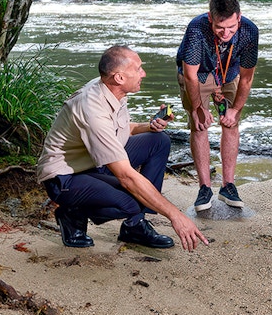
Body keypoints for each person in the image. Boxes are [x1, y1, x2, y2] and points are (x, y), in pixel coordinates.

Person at [37, 46, 208, 252]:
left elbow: (122, 129)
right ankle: (72, 213)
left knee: (158, 141)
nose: (143, 73)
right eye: (138, 69)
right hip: (65, 178)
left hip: (93, 163)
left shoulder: (112, 90)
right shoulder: (92, 108)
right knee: (133, 201)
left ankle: (134, 226)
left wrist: (149, 126)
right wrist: (176, 216)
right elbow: (126, 177)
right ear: (119, 77)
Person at [175, 0, 259, 212]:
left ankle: (228, 185)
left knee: (231, 122)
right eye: (220, 28)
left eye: (231, 27)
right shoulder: (197, 28)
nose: (226, 33)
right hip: (199, 75)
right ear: (210, 18)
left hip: (229, 73)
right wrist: (197, 108)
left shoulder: (249, 31)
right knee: (199, 125)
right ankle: (204, 188)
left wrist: (236, 109)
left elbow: (247, 78)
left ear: (239, 17)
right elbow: (190, 75)